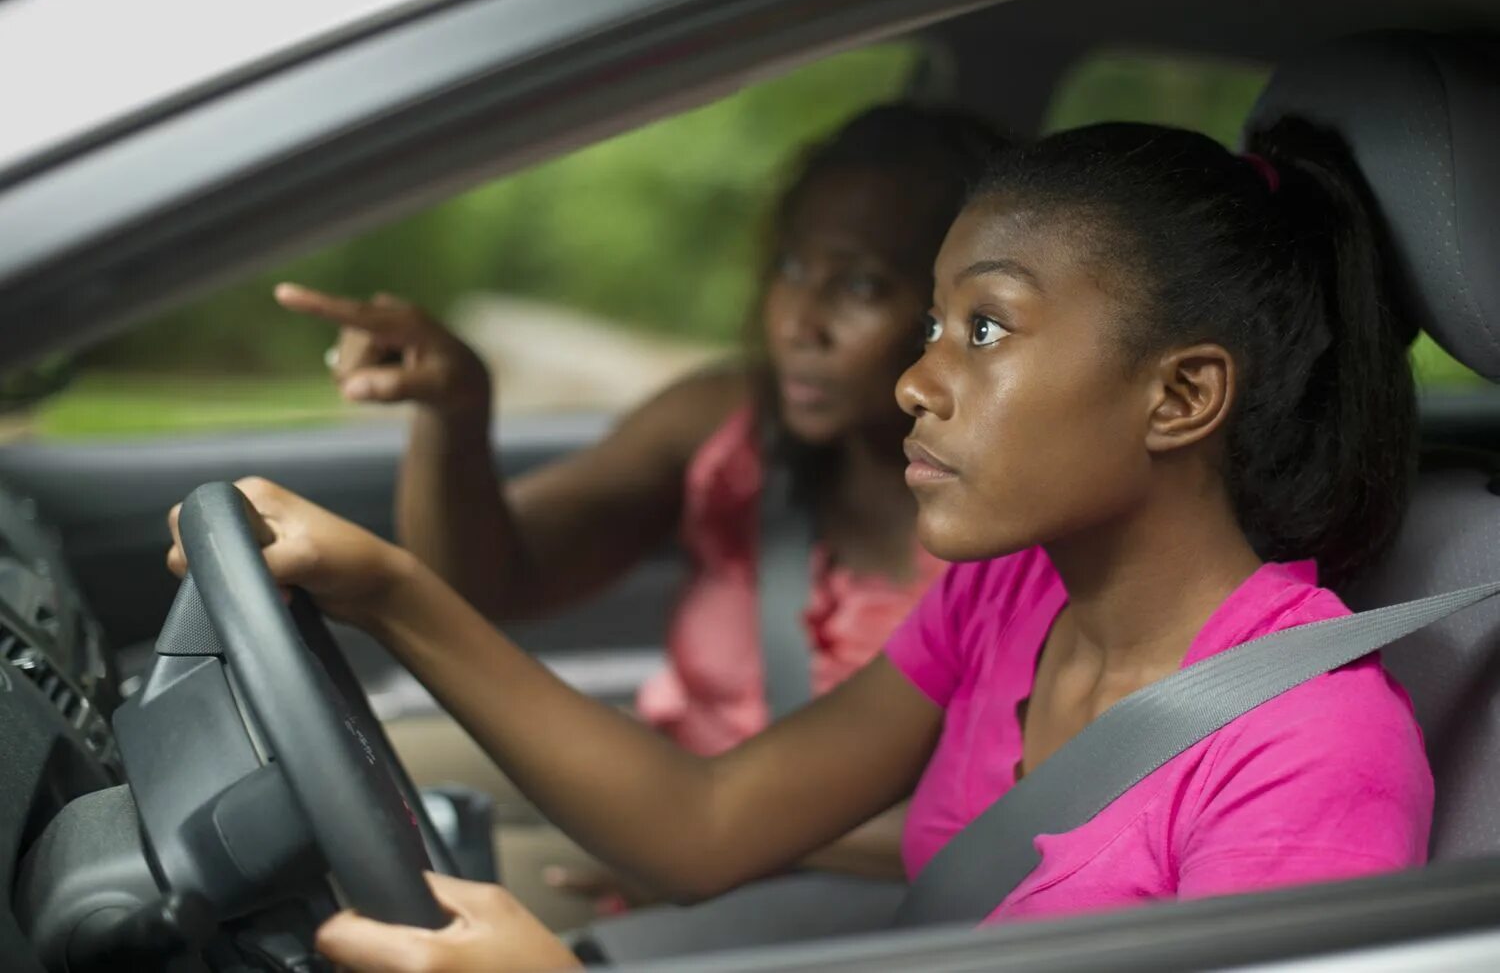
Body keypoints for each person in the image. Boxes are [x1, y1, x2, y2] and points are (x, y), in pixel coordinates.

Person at [170, 117, 1434, 971]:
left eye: (984, 330)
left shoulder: (1309, 753)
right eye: (933, 323)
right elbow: (702, 821)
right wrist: (386, 590)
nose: (916, 382)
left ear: (1180, 397)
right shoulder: (1004, 602)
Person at [274, 105, 1004, 892]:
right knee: (305, 790)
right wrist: (452, 414)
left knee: (376, 899)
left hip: (799, 864)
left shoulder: (1012, 540)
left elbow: (999, 828)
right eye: (791, 270)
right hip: (673, 792)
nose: (800, 323)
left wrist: (699, 838)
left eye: (862, 285)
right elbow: (488, 582)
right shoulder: (728, 424)